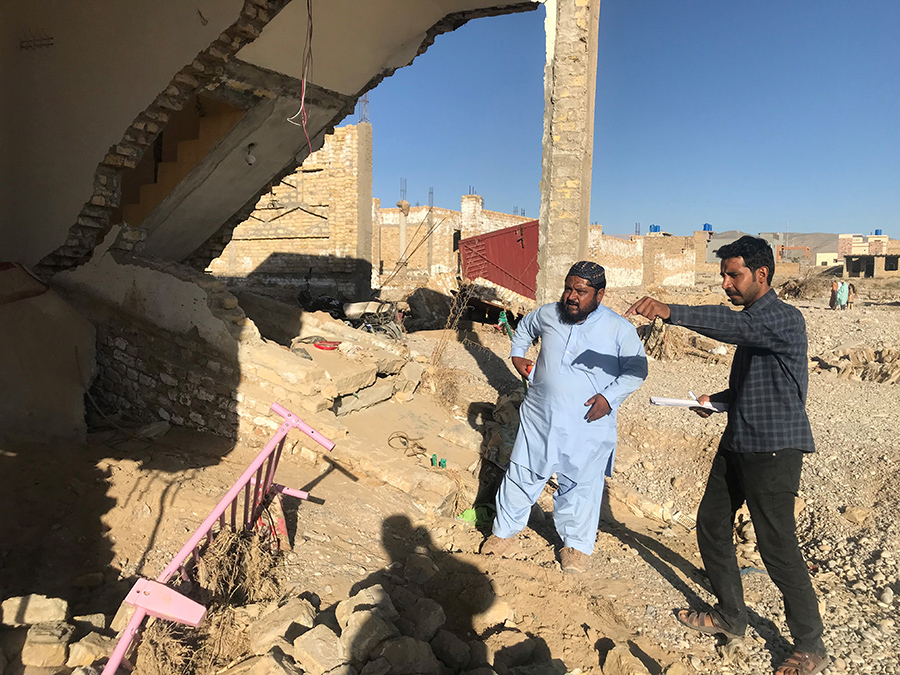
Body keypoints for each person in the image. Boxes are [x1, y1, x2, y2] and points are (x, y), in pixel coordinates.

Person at [626, 236, 827, 675]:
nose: (725, 284)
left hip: (774, 449)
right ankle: (730, 616)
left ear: (762, 274)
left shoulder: (783, 318)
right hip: (737, 439)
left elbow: (734, 327)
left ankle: (810, 644)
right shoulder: (754, 322)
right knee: (711, 525)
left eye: (733, 275)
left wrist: (670, 311)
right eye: (722, 275)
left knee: (777, 547)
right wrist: (715, 399)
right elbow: (749, 385)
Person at [481, 261, 647, 573]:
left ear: (599, 295)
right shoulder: (547, 313)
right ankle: (504, 533)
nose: (571, 296)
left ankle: (575, 546)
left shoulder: (618, 328)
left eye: (580, 292)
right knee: (522, 473)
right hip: (539, 416)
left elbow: (637, 370)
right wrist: (518, 356)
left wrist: (609, 398)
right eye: (568, 288)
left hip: (587, 421)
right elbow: (524, 330)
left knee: (580, 484)